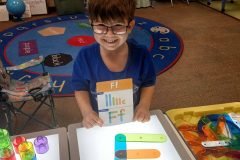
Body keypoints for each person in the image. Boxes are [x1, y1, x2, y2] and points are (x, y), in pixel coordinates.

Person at [72, 0, 156, 128]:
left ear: (130, 26)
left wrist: (143, 106)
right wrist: (87, 112)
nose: (109, 35)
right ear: (91, 24)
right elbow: (80, 88)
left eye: (118, 26)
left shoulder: (142, 55)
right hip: (99, 122)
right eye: (101, 26)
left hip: (133, 120)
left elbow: (148, 83)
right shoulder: (84, 57)